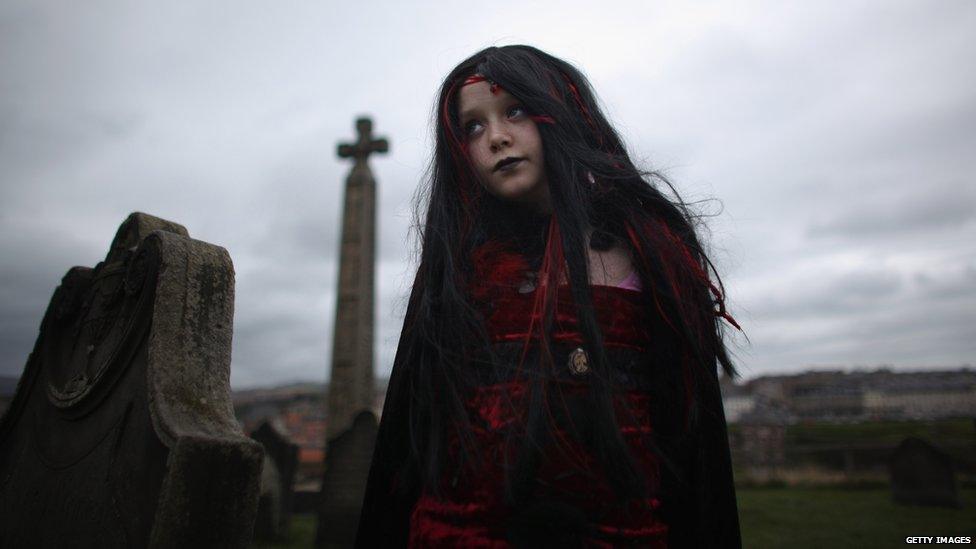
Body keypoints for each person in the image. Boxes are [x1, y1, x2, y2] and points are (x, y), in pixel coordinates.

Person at [356, 45, 742, 548]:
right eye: (473, 126)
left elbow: (692, 443)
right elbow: (409, 443)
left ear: (560, 113)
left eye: (515, 110)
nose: (496, 137)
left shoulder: (648, 254)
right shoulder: (454, 272)